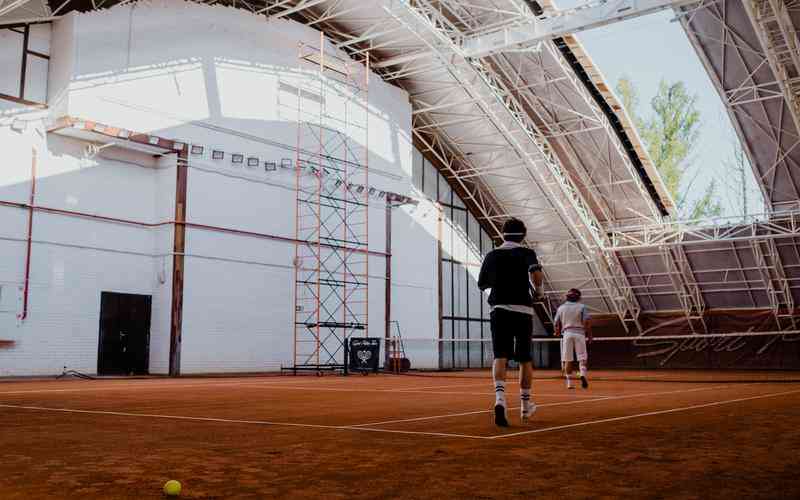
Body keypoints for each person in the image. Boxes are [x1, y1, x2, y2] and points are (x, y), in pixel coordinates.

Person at [478, 218, 544, 427]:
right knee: (525, 358)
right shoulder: (526, 253)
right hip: (523, 310)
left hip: (499, 310)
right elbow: (536, 274)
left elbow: (483, 283)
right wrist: (539, 292)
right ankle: (525, 407)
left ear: (503, 234)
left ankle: (500, 399)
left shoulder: (492, 255)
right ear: (523, 235)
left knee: (500, 355)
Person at [554, 288, 592, 389]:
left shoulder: (561, 308)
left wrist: (557, 332)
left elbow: (556, 323)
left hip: (567, 333)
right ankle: (582, 375)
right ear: (578, 297)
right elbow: (587, 323)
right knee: (582, 358)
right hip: (579, 333)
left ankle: (569, 383)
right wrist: (590, 335)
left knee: (568, 360)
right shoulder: (582, 307)